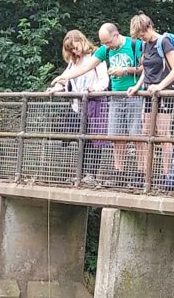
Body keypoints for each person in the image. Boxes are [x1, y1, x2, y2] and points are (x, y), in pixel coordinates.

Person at [51, 23, 144, 187]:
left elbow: (146, 68)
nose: (106, 46)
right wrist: (61, 79)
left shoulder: (134, 44)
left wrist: (126, 70)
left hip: (132, 95)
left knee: (136, 137)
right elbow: (86, 68)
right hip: (113, 98)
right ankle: (118, 175)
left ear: (116, 35)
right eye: (104, 43)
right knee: (115, 138)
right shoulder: (103, 51)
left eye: (108, 42)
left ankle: (141, 175)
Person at [46, 30, 109, 185]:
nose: (75, 51)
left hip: (95, 105)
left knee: (94, 141)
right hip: (78, 107)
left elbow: (104, 80)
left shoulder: (96, 56)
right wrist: (55, 88)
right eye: (71, 49)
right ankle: (80, 175)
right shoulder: (73, 62)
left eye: (76, 47)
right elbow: (66, 80)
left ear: (82, 40)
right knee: (80, 140)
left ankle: (91, 175)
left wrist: (94, 90)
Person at [127, 13, 174, 180]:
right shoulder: (145, 45)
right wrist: (136, 87)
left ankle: (168, 175)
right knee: (146, 132)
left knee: (164, 133)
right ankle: (146, 173)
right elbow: (146, 70)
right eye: (138, 36)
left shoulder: (164, 42)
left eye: (142, 34)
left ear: (149, 27)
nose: (141, 38)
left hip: (164, 93)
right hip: (148, 94)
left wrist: (159, 86)